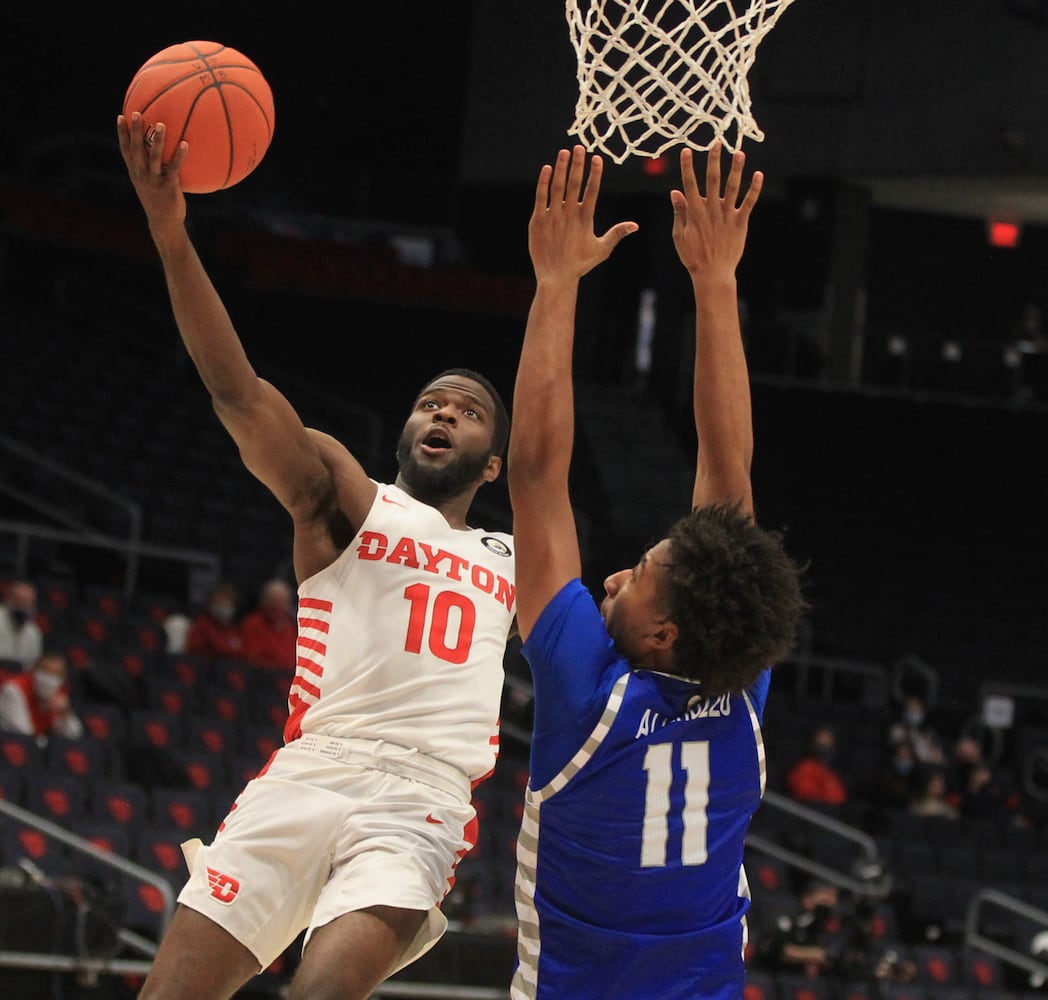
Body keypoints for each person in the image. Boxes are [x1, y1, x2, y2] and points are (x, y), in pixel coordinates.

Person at [116, 111, 515, 1000]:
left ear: (494, 462)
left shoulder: (521, 556)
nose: (442, 413)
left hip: (421, 799)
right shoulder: (345, 495)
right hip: (314, 768)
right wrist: (171, 233)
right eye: (430, 403)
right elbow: (236, 390)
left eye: (467, 410)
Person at [506, 144, 807, 999]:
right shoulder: (738, 688)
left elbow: (533, 473)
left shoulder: (586, 693)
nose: (612, 579)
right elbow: (729, 467)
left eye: (635, 576)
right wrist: (716, 285)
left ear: (662, 633)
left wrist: (555, 284)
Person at [0, 650, 83, 742]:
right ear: (35, 670)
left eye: (56, 674)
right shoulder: (13, 690)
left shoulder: (58, 692)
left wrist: (65, 713)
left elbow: (74, 734)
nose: (49, 679)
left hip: (38, 747)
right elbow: (25, 734)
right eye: (45, 671)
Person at [785, 723, 849, 806]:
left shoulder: (831, 776)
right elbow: (803, 790)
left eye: (827, 743)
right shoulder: (805, 767)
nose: (824, 748)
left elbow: (838, 798)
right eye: (822, 744)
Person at [240, 577, 298, 670]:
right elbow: (252, 659)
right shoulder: (252, 625)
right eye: (273, 601)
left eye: (281, 602)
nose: (277, 607)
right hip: (262, 678)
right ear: (264, 601)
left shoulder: (292, 628)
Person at [183, 580, 247, 664]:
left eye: (227, 602)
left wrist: (229, 648)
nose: (223, 606)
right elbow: (194, 651)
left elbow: (237, 648)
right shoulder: (202, 625)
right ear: (210, 604)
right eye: (219, 602)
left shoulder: (233, 629)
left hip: (230, 671)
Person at [0, 579, 44, 671]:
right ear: (8, 598)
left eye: (27, 602)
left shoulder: (34, 632)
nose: (22, 605)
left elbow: (30, 665)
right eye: (18, 599)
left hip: (16, 680)